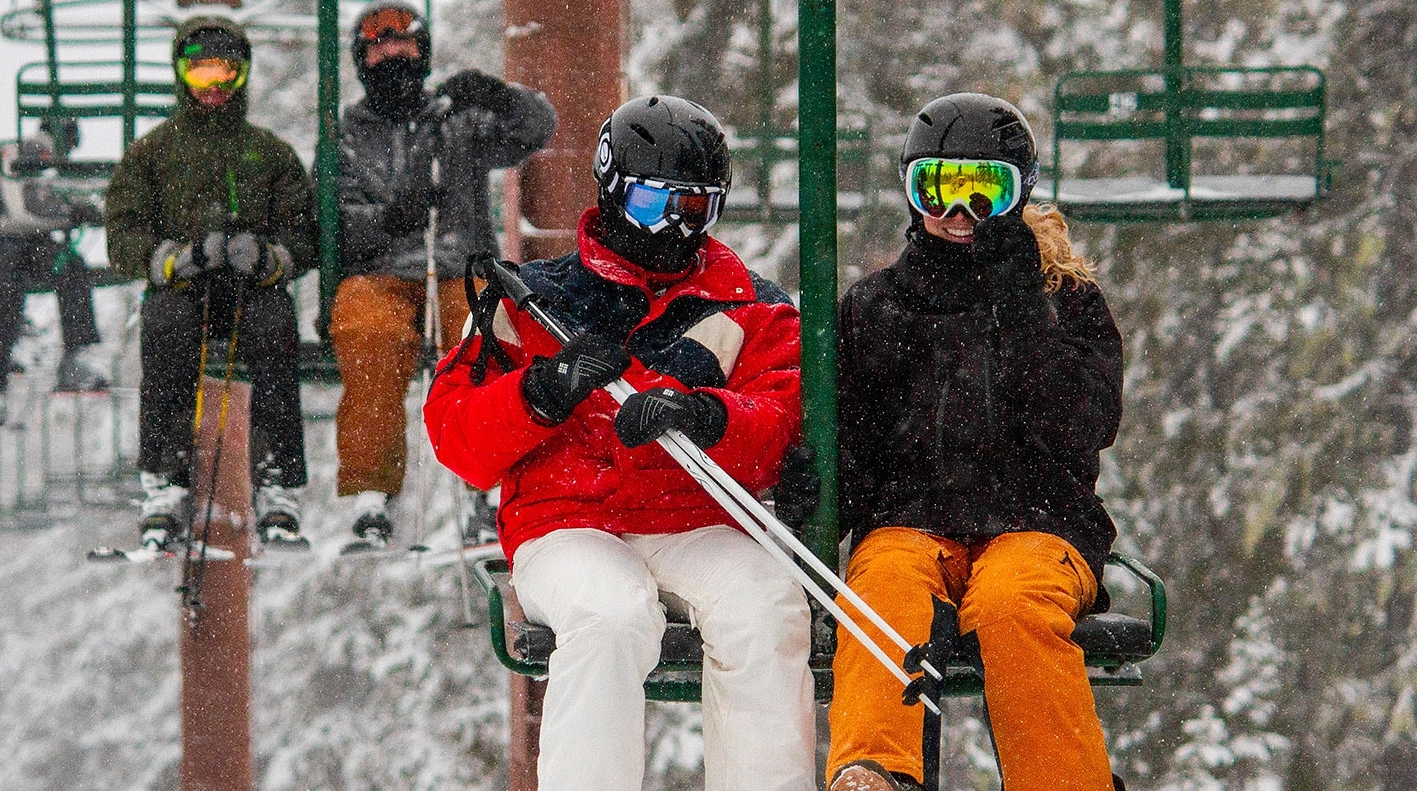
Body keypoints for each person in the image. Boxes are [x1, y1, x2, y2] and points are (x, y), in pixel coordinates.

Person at [426, 96, 815, 791]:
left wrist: (703, 416)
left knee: (765, 605)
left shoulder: (750, 307)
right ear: (609, 191)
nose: (668, 227)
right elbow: (457, 437)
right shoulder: (532, 300)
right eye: (647, 203)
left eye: (691, 210)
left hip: (692, 518)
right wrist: (541, 393)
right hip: (567, 520)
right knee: (609, 612)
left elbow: (777, 423)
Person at [826, 93, 1124, 791]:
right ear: (912, 194)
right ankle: (877, 769)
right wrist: (822, 482)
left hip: (1040, 521)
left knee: (1013, 603)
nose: (958, 216)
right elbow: (855, 439)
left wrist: (1022, 308)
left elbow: (1083, 423)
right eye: (937, 189)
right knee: (885, 588)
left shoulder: (1064, 299)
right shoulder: (878, 308)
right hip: (913, 522)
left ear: (1018, 197)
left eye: (982, 192)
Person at [329, 1, 555, 551]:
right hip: (380, 272)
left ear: (423, 54)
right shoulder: (345, 136)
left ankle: (489, 482)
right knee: (369, 335)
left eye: (404, 47)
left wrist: (499, 96)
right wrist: (389, 219)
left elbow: (536, 131)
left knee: (486, 335)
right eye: (380, 49)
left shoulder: (456, 120)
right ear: (363, 61)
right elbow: (335, 222)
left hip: (459, 264)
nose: (393, 58)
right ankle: (372, 493)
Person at [104, 16, 317, 553]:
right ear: (182, 77)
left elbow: (304, 230)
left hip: (252, 287)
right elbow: (123, 230)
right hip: (183, 286)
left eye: (224, 75)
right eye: (201, 76)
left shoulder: (268, 153)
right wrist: (170, 260)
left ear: (241, 76)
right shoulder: (153, 153)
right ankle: (164, 479)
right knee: (167, 332)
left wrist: (272, 258)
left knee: (274, 331)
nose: (214, 89)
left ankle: (277, 485)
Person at [0, 117, 111, 426]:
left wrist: (79, 211)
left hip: (24, 242)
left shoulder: (45, 165)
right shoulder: (19, 153)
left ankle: (76, 355)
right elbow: (26, 208)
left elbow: (41, 208)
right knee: (5, 289)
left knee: (70, 267)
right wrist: (74, 214)